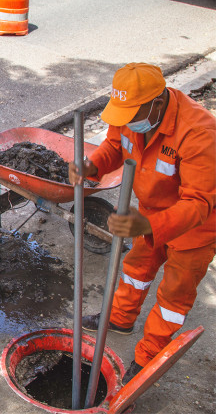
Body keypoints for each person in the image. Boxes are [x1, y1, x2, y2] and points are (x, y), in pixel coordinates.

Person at [69, 63, 216, 384]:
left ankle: (148, 357)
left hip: (195, 229)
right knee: (135, 270)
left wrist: (147, 226)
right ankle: (120, 319)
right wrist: (91, 166)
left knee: (173, 298)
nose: (127, 122)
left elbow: (199, 204)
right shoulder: (131, 116)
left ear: (158, 104)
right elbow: (113, 147)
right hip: (149, 215)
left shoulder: (199, 132)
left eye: (132, 114)